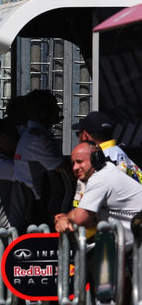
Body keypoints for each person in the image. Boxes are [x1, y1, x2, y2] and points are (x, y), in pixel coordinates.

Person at [54, 142, 142, 240]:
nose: (74, 168)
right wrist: (68, 217)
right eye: (73, 163)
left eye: (79, 161)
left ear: (95, 159)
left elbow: (81, 218)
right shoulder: (107, 170)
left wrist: (67, 218)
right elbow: (89, 219)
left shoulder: (101, 178)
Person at [10, 89, 70, 228]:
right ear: (44, 113)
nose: (58, 110)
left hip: (37, 207)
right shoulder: (38, 139)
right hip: (42, 212)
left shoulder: (32, 135)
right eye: (54, 106)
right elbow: (67, 172)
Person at [71, 111, 142, 208]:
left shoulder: (95, 162)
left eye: (78, 134)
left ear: (84, 135)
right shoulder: (122, 155)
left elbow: (83, 209)